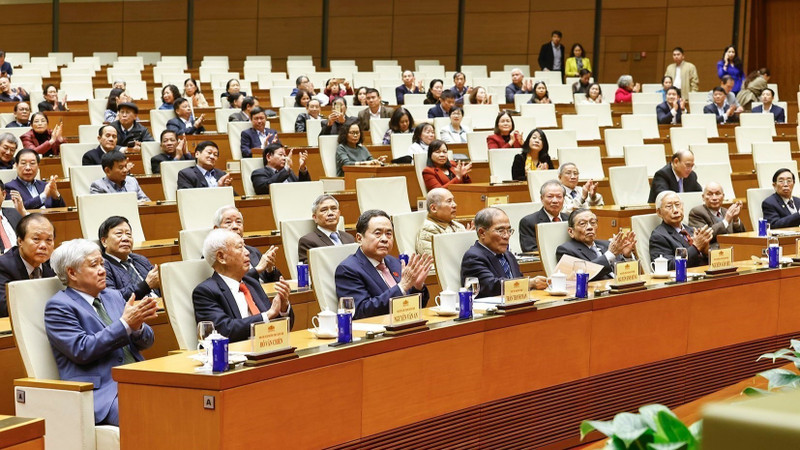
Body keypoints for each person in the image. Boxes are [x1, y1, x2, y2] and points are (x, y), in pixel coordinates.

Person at [45, 238, 157, 426]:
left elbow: (147, 342)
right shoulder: (59, 306)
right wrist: (125, 324)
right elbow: (82, 350)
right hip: (103, 393)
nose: (102, 270)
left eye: (102, 263)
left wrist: (136, 327)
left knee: (187, 399)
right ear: (71, 273)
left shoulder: (112, 296)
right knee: (147, 414)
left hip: (138, 378)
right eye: (94, 265)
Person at [335, 209, 432, 319]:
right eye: (378, 233)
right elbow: (360, 311)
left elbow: (414, 307)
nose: (385, 239)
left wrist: (417, 287)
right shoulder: (348, 269)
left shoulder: (395, 262)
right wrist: (402, 286)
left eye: (389, 234)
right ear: (359, 238)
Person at [461, 208, 547, 298]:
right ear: (482, 233)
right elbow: (492, 286)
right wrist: (529, 283)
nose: (506, 236)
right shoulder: (473, 257)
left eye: (509, 230)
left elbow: (518, 280)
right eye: (501, 231)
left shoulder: (508, 255)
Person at [556, 209, 636, 280]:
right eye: (582, 224)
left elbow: (625, 274)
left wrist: (627, 256)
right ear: (571, 232)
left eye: (593, 222)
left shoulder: (607, 244)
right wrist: (610, 254)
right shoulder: (565, 250)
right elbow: (583, 275)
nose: (590, 227)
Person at [212, 205, 282, 283]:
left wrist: (269, 269)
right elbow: (227, 283)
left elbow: (277, 282)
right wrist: (257, 269)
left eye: (238, 222)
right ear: (216, 229)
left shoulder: (252, 251)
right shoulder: (215, 255)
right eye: (228, 222)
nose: (235, 226)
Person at [0, 213, 54, 315]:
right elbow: (5, 307)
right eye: (36, 239)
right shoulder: (3, 266)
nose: (43, 245)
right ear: (20, 241)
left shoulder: (54, 264)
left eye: (49, 240)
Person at [99, 216, 160, 300]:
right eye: (119, 234)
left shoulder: (140, 259)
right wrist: (146, 285)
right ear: (104, 241)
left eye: (128, 234)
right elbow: (111, 298)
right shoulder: (101, 266)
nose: (126, 238)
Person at [649, 191, 712, 269]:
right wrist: (696, 247)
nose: (675, 210)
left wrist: (706, 252)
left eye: (678, 205)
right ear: (659, 212)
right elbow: (668, 267)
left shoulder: (691, 230)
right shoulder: (659, 236)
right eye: (669, 206)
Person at [297, 194, 356, 264]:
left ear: (339, 213)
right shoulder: (308, 241)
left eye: (334, 208)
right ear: (315, 217)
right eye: (324, 210)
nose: (330, 213)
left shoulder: (349, 238)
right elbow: (312, 269)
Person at [688, 182, 745, 248]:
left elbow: (742, 236)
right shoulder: (696, 212)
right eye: (710, 194)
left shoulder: (726, 211)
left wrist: (735, 220)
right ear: (703, 197)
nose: (714, 198)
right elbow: (703, 237)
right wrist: (726, 221)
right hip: (713, 252)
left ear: (723, 196)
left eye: (718, 194)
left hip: (733, 249)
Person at [415, 188, 468, 257]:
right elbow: (435, 263)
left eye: (453, 200)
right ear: (433, 208)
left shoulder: (458, 226)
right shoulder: (428, 231)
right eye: (449, 201)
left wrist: (468, 237)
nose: (455, 205)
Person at [519, 180, 569, 252]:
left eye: (559, 197)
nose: (555, 200)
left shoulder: (569, 219)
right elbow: (530, 250)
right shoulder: (528, 222)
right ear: (542, 198)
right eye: (550, 196)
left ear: (563, 199)